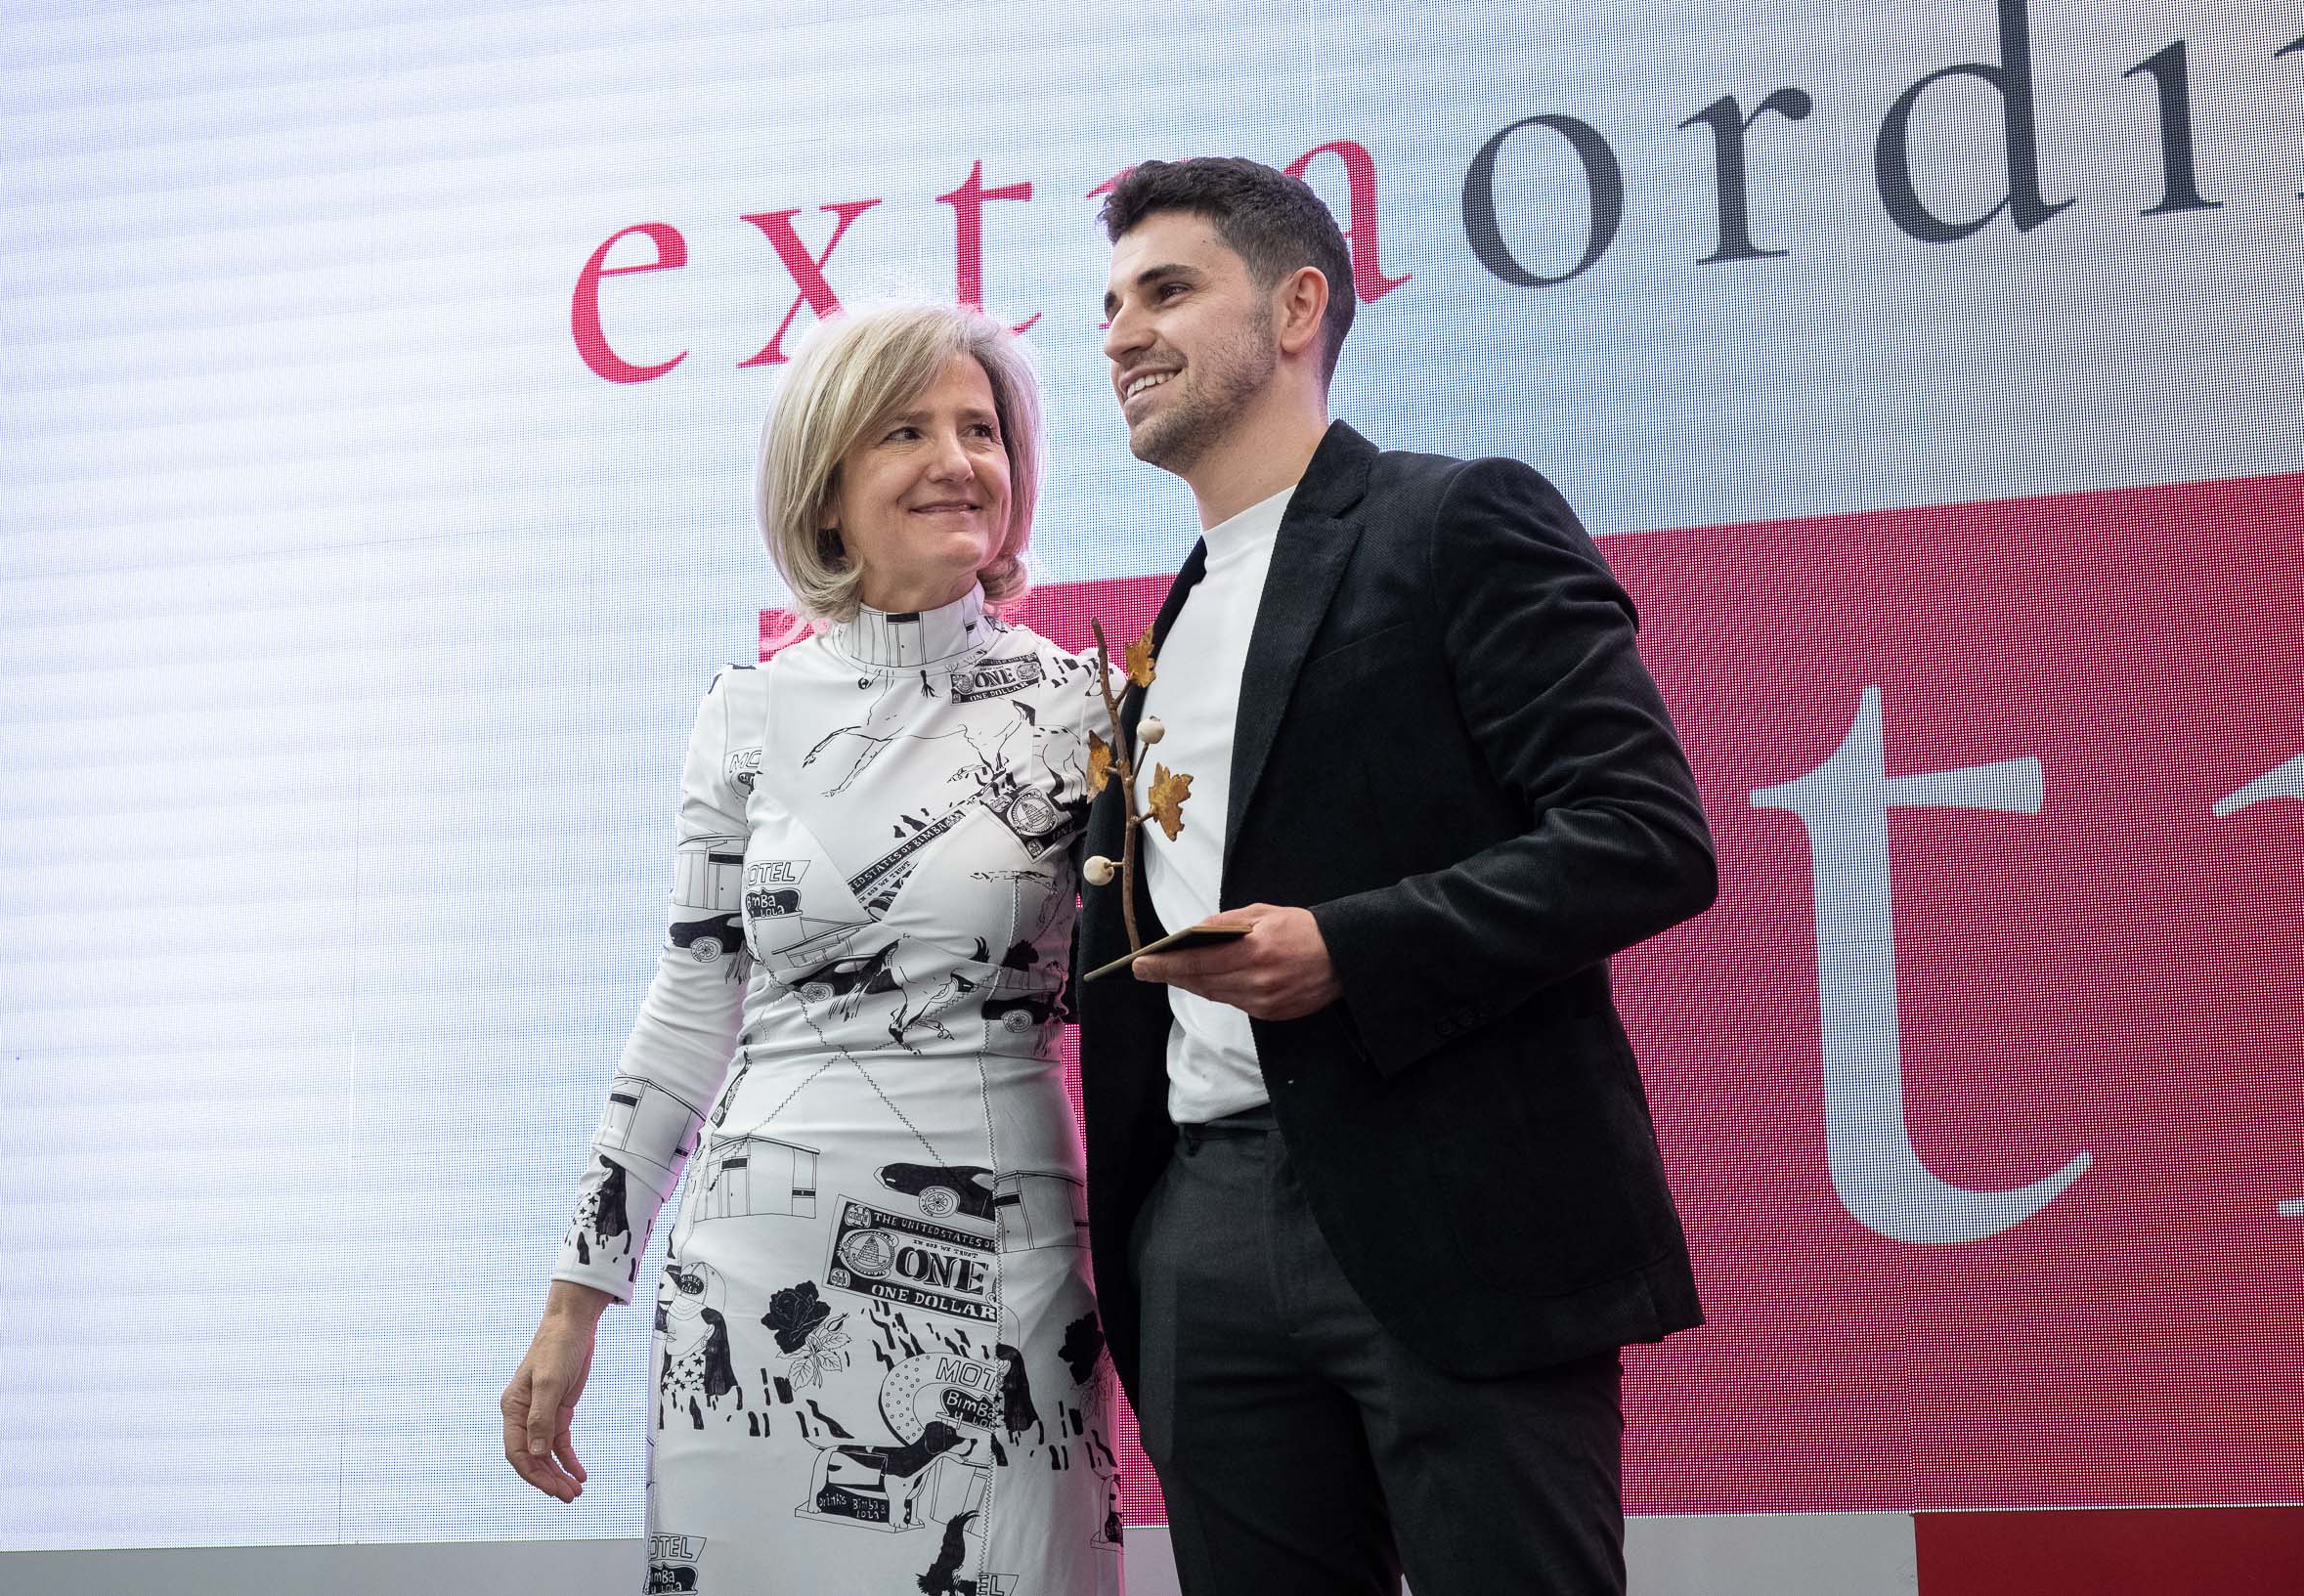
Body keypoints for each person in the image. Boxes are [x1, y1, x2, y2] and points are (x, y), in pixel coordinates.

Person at [1074, 157, 1718, 1596]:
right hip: (1201, 1228)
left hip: (1452, 1210)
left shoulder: (1454, 520)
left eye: (1166, 290)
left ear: (1299, 305)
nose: (1117, 334)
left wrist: (1346, 948)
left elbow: (1643, 832)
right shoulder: (1155, 634)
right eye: (1108, 303)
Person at [502, 302, 1120, 1595]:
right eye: (908, 429)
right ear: (824, 488)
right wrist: (576, 1300)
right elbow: (687, 1005)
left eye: (980, 428)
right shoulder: (744, 710)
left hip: (998, 1265)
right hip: (754, 1280)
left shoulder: (1084, 709)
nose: (959, 458)